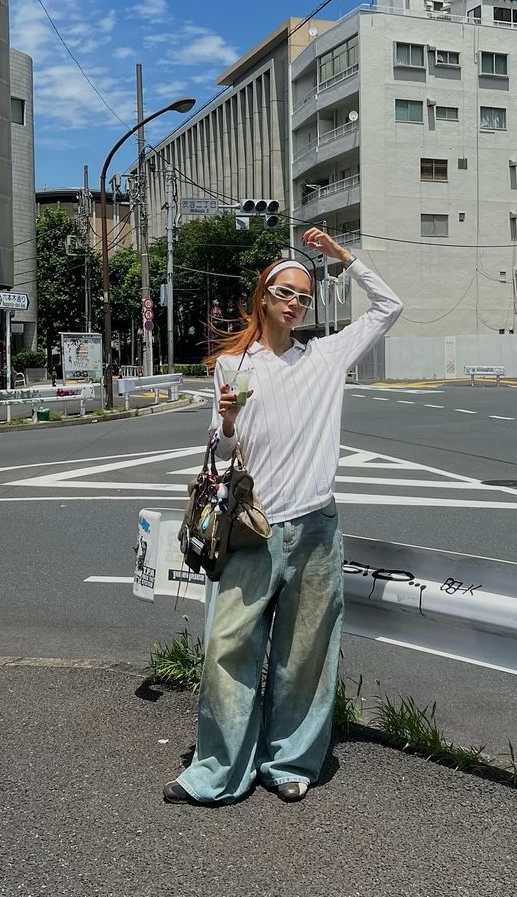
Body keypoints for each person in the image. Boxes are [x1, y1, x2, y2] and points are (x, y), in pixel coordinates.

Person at [164, 228, 403, 807]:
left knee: (304, 654)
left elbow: (389, 307)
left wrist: (343, 259)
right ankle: (217, 771)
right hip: (252, 526)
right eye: (286, 292)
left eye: (305, 294)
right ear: (263, 298)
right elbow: (223, 456)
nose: (297, 302)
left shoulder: (325, 357)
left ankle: (288, 760)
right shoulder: (232, 366)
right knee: (227, 648)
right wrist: (224, 423)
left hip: (317, 527)